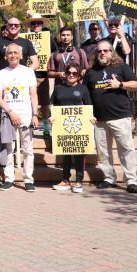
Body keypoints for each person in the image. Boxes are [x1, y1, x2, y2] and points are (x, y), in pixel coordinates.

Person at [84, 40, 137, 193]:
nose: (102, 53)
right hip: (99, 120)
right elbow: (85, 94)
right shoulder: (91, 72)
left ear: (111, 52)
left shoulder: (121, 67)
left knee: (126, 149)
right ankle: (109, 178)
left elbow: (136, 84)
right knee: (103, 152)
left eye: (106, 50)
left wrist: (120, 85)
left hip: (120, 117)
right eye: (99, 51)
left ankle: (131, 180)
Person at [0, 43, 39, 191]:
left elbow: (33, 94)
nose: (13, 55)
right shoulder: (1, 73)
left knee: (28, 149)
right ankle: (9, 178)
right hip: (8, 116)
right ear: (6, 56)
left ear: (20, 55)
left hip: (26, 115)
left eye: (15, 53)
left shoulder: (28, 72)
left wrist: (35, 114)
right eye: (10, 53)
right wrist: (10, 112)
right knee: (8, 147)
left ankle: (28, 180)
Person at [50, 65, 93, 193]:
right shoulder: (58, 88)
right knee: (65, 153)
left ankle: (79, 181)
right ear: (65, 73)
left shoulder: (83, 89)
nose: (71, 75)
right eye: (69, 72)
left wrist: (91, 118)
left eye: (75, 73)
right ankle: (65, 180)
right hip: (63, 126)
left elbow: (88, 106)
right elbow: (53, 105)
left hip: (79, 125)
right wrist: (51, 117)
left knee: (79, 153)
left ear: (79, 76)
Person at [27, 14, 58, 136]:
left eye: (38, 23)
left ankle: (46, 128)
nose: (36, 26)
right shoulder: (25, 39)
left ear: (42, 25)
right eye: (33, 23)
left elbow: (55, 54)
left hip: (43, 75)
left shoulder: (48, 39)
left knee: (45, 104)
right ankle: (29, 127)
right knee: (28, 103)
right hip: (29, 75)